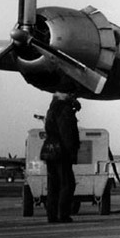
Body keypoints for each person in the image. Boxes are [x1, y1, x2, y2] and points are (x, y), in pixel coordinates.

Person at [43, 92, 81, 223]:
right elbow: (67, 133)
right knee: (67, 184)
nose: (73, 95)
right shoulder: (64, 110)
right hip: (61, 151)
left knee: (53, 185)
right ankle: (62, 214)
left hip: (50, 150)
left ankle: (52, 215)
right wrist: (71, 152)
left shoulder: (52, 108)